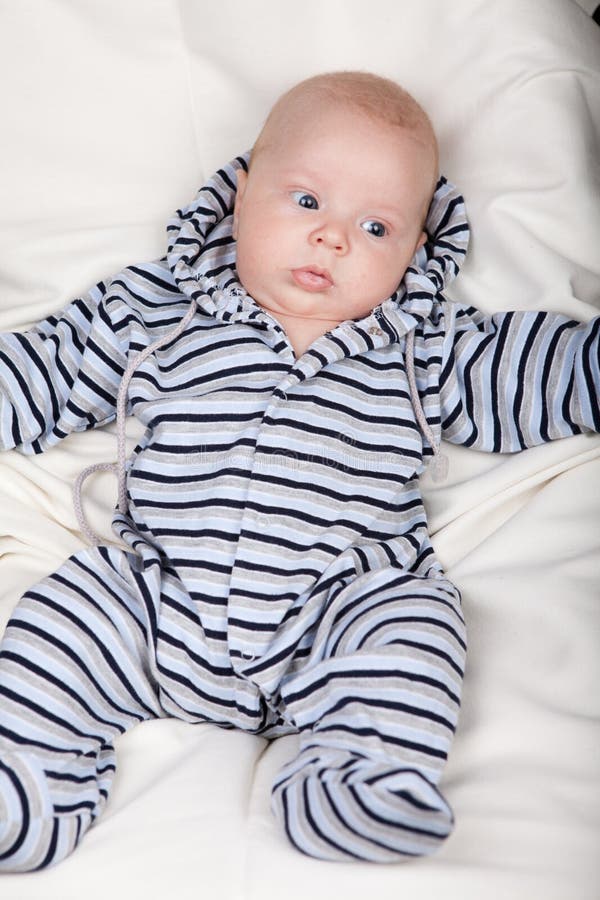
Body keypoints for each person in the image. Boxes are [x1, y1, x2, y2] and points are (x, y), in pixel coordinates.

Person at [0, 70, 598, 871]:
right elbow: (42, 369)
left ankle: (356, 782)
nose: (334, 239)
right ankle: (27, 783)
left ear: (417, 249)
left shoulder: (426, 346)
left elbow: (549, 370)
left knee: (415, 622)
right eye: (307, 202)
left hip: (336, 614)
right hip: (161, 600)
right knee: (69, 610)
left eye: (377, 228)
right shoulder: (159, 312)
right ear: (239, 196)